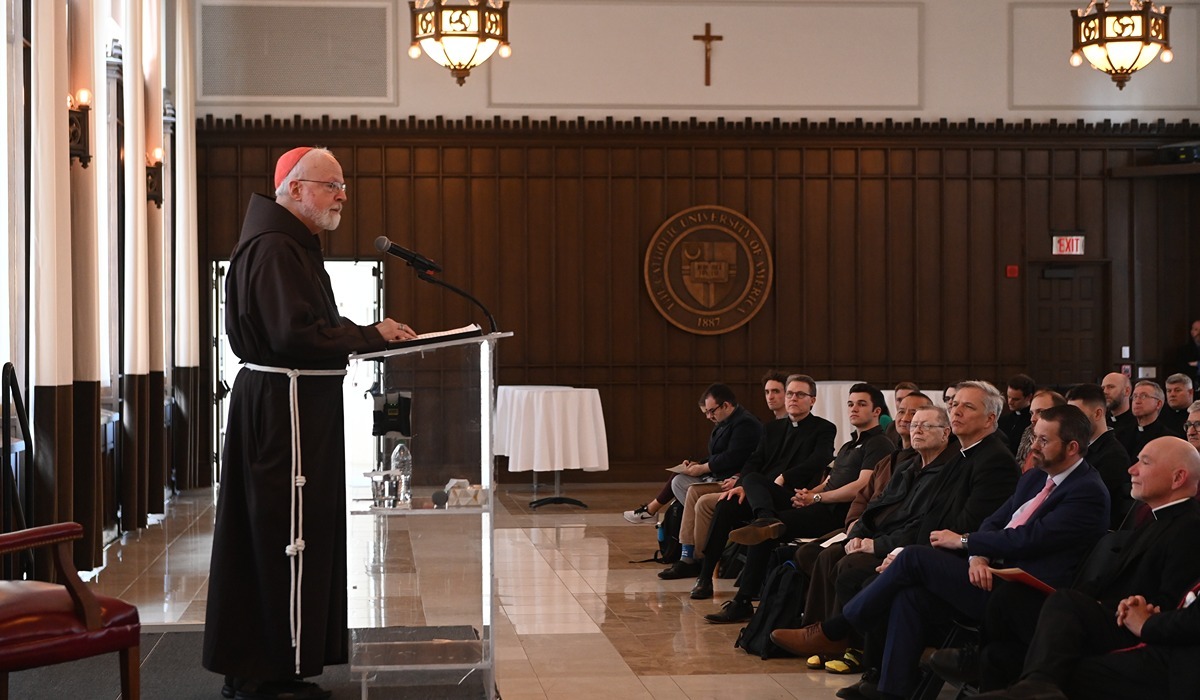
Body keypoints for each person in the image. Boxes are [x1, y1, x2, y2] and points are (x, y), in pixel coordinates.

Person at [203, 147, 417, 700]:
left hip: (285, 403)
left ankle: (261, 664)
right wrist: (370, 334)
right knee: (285, 534)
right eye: (331, 185)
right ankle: (268, 673)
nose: (342, 194)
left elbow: (304, 327)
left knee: (270, 532)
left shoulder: (286, 245)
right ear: (295, 189)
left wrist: (367, 333)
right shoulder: (276, 248)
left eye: (342, 185)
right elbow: (293, 336)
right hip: (286, 407)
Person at [770, 405, 1110, 700]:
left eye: (1043, 440)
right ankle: (891, 691)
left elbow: (1027, 540)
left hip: (1024, 593)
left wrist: (964, 543)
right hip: (988, 570)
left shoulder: (1087, 493)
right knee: (910, 596)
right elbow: (995, 522)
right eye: (1034, 437)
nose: (1033, 446)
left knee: (913, 557)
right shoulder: (1036, 478)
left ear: (1072, 447)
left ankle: (836, 629)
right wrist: (977, 553)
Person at [971, 436, 1200, 699]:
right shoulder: (1154, 517)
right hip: (1106, 615)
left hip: (1127, 627)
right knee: (1005, 620)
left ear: (1178, 478)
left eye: (1144, 462)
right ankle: (985, 662)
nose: (1132, 469)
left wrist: (1118, 608)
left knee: (1067, 602)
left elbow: (1169, 602)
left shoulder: (1189, 528)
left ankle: (1040, 684)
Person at [680, 375, 837, 599]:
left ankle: (765, 518)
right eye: (790, 393)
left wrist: (783, 477)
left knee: (753, 479)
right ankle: (705, 578)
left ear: (812, 400)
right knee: (726, 506)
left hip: (793, 495)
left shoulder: (824, 428)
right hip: (761, 497)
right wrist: (742, 486)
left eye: (800, 394)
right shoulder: (772, 428)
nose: (793, 398)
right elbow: (755, 459)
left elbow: (820, 459)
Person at [623, 383, 762, 524]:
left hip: (731, 478)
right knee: (679, 479)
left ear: (725, 405)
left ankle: (705, 521)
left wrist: (703, 468)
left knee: (679, 481)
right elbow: (718, 454)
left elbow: (732, 456)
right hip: (720, 473)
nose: (708, 416)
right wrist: (698, 463)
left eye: (711, 411)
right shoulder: (725, 421)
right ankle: (700, 521)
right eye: (706, 412)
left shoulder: (745, 423)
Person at [1065, 383, 1133, 529]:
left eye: (1077, 415)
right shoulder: (1081, 447)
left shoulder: (1113, 456)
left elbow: (1086, 503)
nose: (1070, 423)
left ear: (1097, 414)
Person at [999, 374, 1036, 453]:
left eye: (1015, 399)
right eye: (1008, 397)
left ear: (1029, 397)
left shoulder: (1033, 421)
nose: (1010, 402)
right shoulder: (1002, 420)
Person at [1175, 319, 1200, 396]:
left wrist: (1197, 363)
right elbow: (1182, 369)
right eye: (1194, 329)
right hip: (1192, 386)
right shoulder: (1184, 350)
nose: (1195, 332)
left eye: (1197, 330)